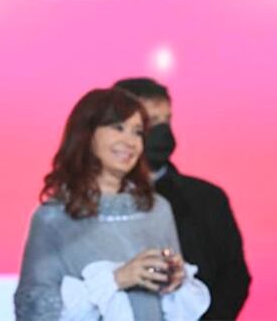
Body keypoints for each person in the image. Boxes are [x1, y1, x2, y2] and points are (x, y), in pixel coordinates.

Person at [14, 88, 211, 320]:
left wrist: (176, 281)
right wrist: (118, 279)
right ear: (88, 134)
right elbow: (34, 311)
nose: (130, 142)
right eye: (118, 128)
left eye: (137, 132)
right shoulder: (54, 218)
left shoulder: (157, 209)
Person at [113, 77, 250, 319]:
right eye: (152, 122)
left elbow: (234, 275)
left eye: (167, 120)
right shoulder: (93, 201)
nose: (163, 131)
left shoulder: (207, 198)